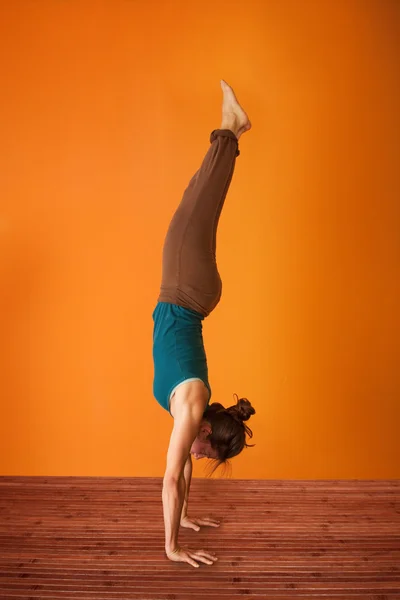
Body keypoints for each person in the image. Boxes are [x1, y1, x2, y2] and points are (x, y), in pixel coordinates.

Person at [152, 80, 256, 568]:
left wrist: (186, 519)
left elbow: (182, 475)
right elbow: (171, 478)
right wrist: (172, 548)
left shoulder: (191, 413)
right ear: (209, 431)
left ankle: (230, 130)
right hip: (186, 289)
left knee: (192, 205)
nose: (200, 457)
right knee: (198, 206)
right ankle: (230, 128)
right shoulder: (191, 405)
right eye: (208, 452)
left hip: (191, 292)